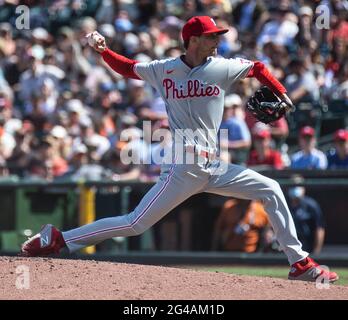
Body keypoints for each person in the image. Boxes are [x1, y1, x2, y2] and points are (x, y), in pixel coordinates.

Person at [21, 16, 338, 282]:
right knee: (135, 223)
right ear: (193, 40)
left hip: (214, 167)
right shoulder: (164, 68)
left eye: (217, 35)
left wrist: (281, 92)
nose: (217, 41)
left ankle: (299, 263)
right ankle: (60, 238)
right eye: (211, 36)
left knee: (270, 189)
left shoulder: (222, 67)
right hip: (182, 165)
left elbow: (257, 68)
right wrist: (104, 51)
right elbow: (129, 68)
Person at [288, 186, 325, 255]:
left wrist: (317, 250)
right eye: (293, 185)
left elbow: (319, 228)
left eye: (298, 185)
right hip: (289, 245)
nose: (295, 188)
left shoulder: (311, 205)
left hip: (307, 245)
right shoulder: (285, 204)